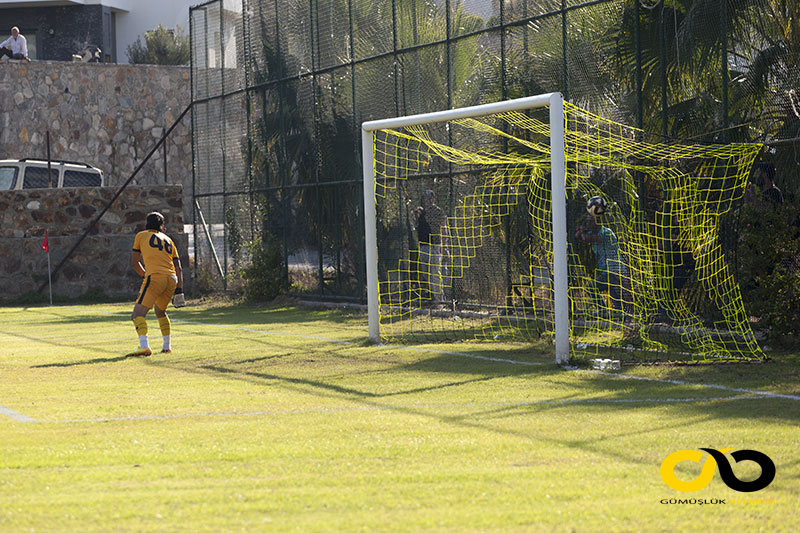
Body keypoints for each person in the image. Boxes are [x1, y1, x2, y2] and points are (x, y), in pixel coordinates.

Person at [126, 212, 185, 357]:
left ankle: (144, 346)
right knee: (160, 311)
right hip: (171, 278)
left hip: (155, 277)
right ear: (160, 225)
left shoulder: (141, 236)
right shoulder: (169, 240)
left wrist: (144, 275)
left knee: (137, 314)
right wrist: (180, 290)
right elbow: (178, 267)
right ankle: (167, 346)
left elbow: (135, 262)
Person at [575, 215, 627, 318]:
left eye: (591, 222)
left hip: (614, 270)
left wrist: (582, 231)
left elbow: (587, 238)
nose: (588, 224)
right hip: (607, 271)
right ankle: (613, 314)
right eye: (587, 222)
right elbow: (577, 236)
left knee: (592, 288)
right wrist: (581, 230)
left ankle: (606, 312)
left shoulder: (606, 233)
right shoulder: (592, 232)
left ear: (598, 222)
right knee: (615, 296)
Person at [414, 190, 448, 302]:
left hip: (434, 245)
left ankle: (439, 300)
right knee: (425, 272)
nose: (427, 201)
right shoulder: (421, 212)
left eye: (429, 198)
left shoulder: (438, 211)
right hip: (423, 245)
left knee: (435, 273)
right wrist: (416, 217)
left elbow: (444, 228)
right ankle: (432, 296)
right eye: (425, 198)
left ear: (433, 199)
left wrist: (444, 245)